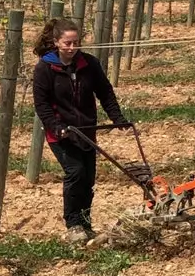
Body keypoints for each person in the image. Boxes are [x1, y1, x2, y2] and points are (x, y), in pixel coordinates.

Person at [31, 17, 128, 242]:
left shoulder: (89, 64)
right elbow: (42, 105)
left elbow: (105, 92)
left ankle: (86, 223)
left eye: (76, 43)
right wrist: (57, 127)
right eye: (67, 43)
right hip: (61, 134)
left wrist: (117, 118)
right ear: (56, 42)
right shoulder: (45, 69)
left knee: (89, 178)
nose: (72, 48)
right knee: (75, 173)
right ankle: (73, 224)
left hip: (86, 130)